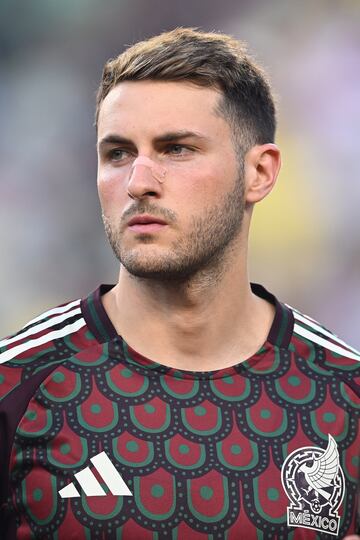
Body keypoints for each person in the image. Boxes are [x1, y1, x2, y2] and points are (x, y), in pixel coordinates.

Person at [0, 27, 359, 540]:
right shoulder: (17, 385)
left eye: (176, 149)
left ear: (259, 172)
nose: (139, 181)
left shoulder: (345, 392)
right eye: (118, 153)